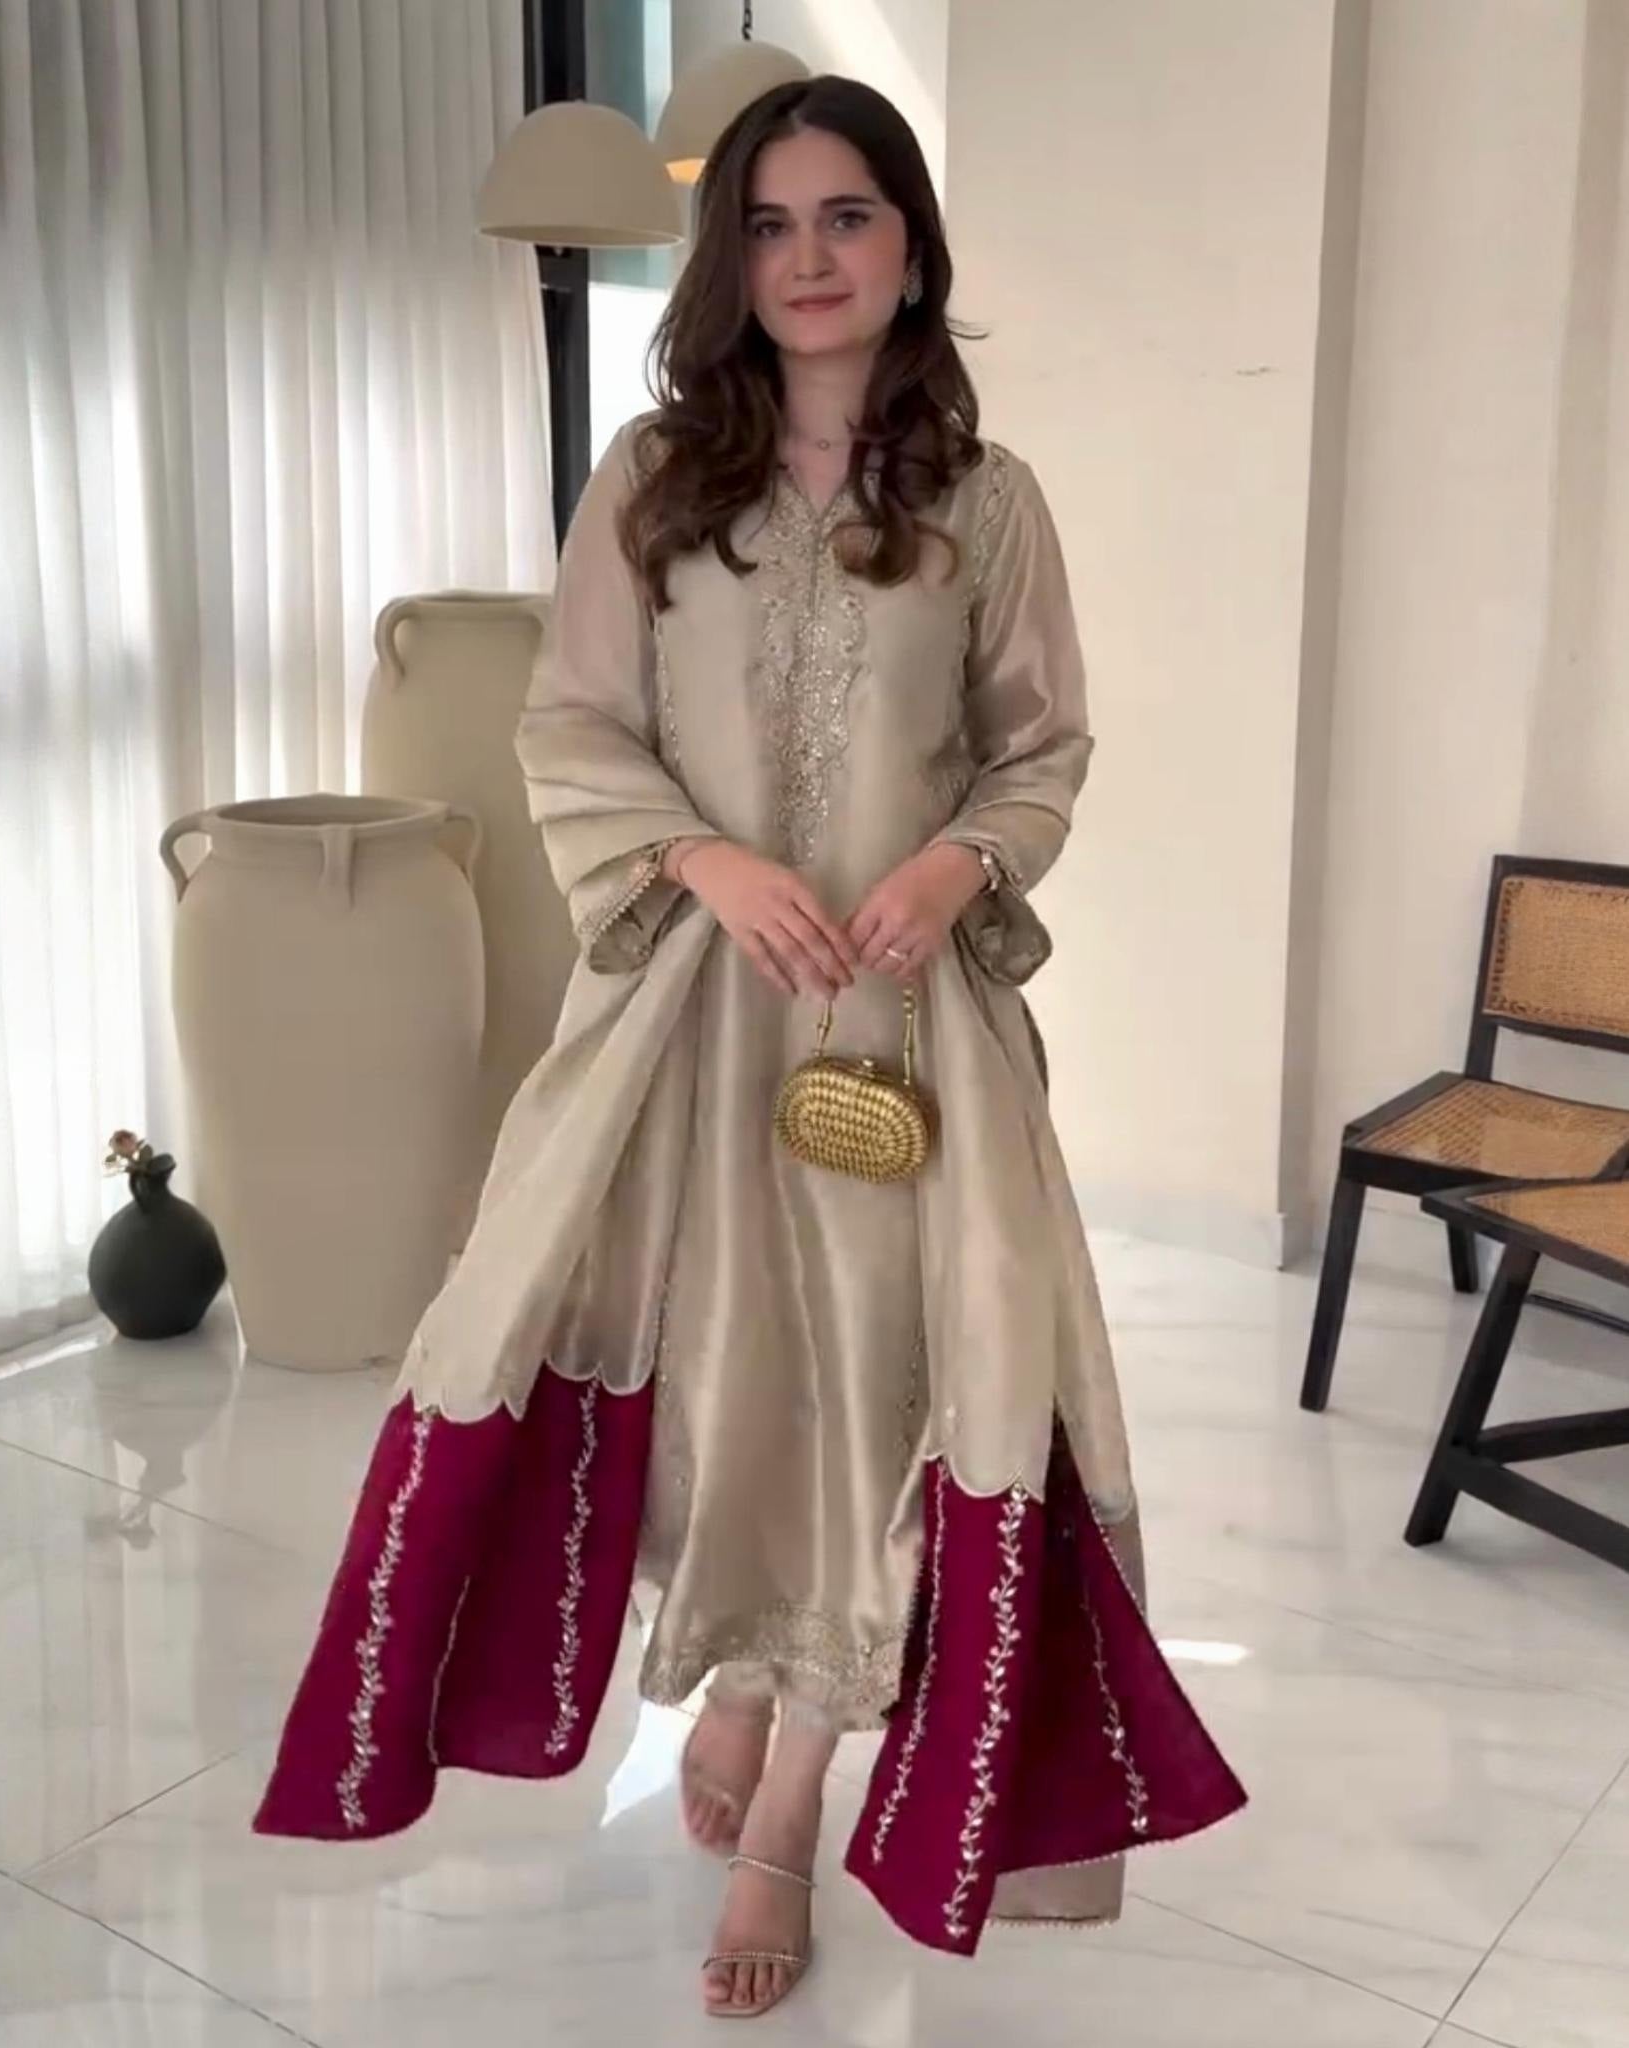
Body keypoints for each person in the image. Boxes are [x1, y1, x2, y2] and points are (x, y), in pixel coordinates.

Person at [255, 74, 1244, 2023]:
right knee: (712, 1381)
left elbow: (1041, 746)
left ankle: (791, 1794)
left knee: (888, 1394)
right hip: (687, 1025)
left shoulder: (984, 503)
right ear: (733, 257)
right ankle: (733, 1661)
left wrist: (957, 863)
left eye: (848, 216)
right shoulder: (651, 479)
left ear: (910, 250)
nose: (809, 257)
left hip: (906, 1032)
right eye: (772, 224)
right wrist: (702, 858)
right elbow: (573, 721)